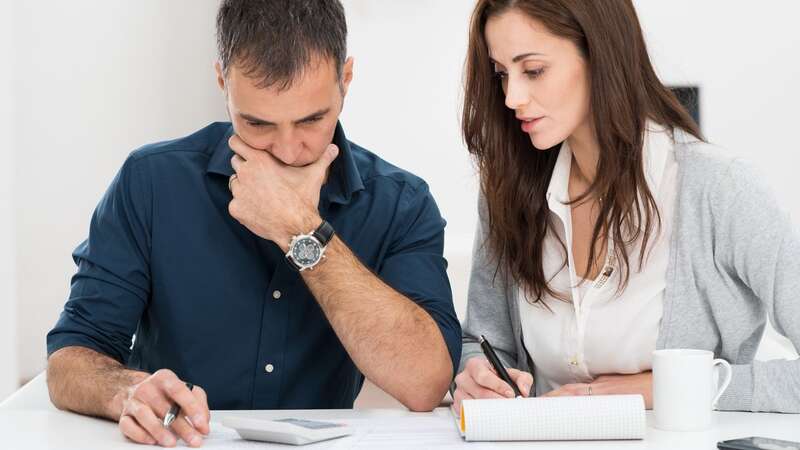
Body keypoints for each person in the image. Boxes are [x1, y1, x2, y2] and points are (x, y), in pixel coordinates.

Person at [45, 0, 461, 446]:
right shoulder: (151, 181)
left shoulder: (400, 202)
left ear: (346, 78)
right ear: (222, 79)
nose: (286, 150)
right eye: (257, 123)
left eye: (312, 119)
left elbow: (426, 383)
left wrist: (301, 230)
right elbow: (69, 359)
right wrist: (125, 392)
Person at [453, 0, 800, 415]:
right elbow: (486, 342)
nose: (512, 97)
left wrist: (669, 388)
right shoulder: (508, 189)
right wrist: (480, 378)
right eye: (502, 75)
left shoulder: (719, 189)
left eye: (534, 71)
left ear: (601, 54)